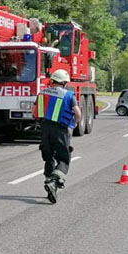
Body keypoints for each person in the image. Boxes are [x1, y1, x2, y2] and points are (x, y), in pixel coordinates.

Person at [32, 69, 82, 204]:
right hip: (60, 130)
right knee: (63, 158)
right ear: (64, 83)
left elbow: (34, 111)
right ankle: (54, 181)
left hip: (45, 129)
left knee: (48, 157)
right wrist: (75, 124)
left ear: (52, 81)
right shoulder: (69, 95)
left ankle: (49, 181)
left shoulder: (42, 93)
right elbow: (77, 114)